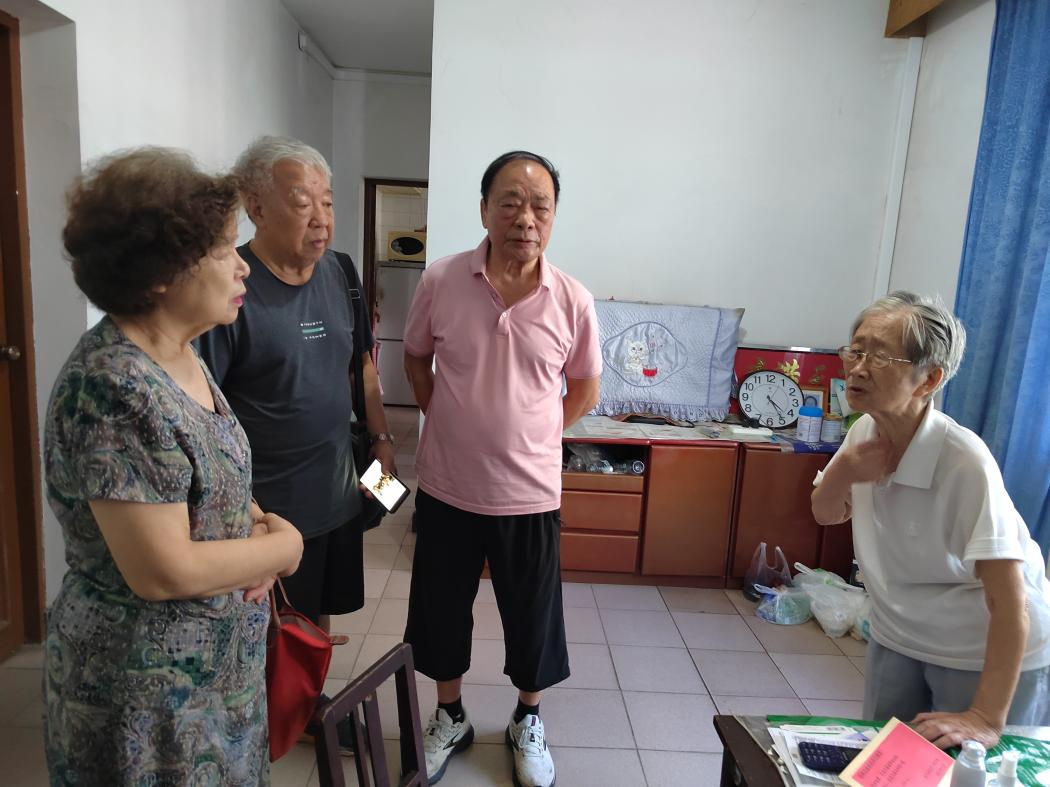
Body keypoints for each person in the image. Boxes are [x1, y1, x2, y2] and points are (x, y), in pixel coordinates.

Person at [43, 148, 304, 785]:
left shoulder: (180, 353)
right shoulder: (113, 387)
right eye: (222, 248)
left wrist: (254, 525)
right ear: (162, 271)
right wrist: (284, 547)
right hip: (146, 696)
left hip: (219, 678)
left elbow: (210, 479)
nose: (242, 264)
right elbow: (164, 571)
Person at [403, 151, 602, 786]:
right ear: (485, 209)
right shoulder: (440, 280)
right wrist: (448, 418)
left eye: (541, 205)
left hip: (530, 492)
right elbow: (415, 359)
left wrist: (534, 434)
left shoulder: (572, 299)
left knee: (532, 614)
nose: (526, 218)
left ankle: (527, 719)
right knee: (440, 607)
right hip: (448, 485)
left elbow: (585, 388)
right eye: (511, 202)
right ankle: (450, 714)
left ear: (554, 217)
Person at [197, 135, 394, 755]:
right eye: (303, 202)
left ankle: (306, 705)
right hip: (267, 509)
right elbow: (205, 410)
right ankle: (256, 723)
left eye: (327, 202)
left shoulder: (341, 273)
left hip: (337, 488)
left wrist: (383, 439)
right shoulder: (231, 287)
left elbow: (362, 365)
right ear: (256, 206)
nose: (321, 218)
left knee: (317, 613)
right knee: (265, 620)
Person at [812, 291, 1050, 749]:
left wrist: (984, 717)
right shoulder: (864, 430)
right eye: (856, 350)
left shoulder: (963, 461)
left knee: (966, 768)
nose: (858, 368)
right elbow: (826, 512)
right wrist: (844, 470)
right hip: (898, 633)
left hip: (980, 648)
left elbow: (1010, 601)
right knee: (887, 762)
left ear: (930, 378)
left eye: (881, 356)